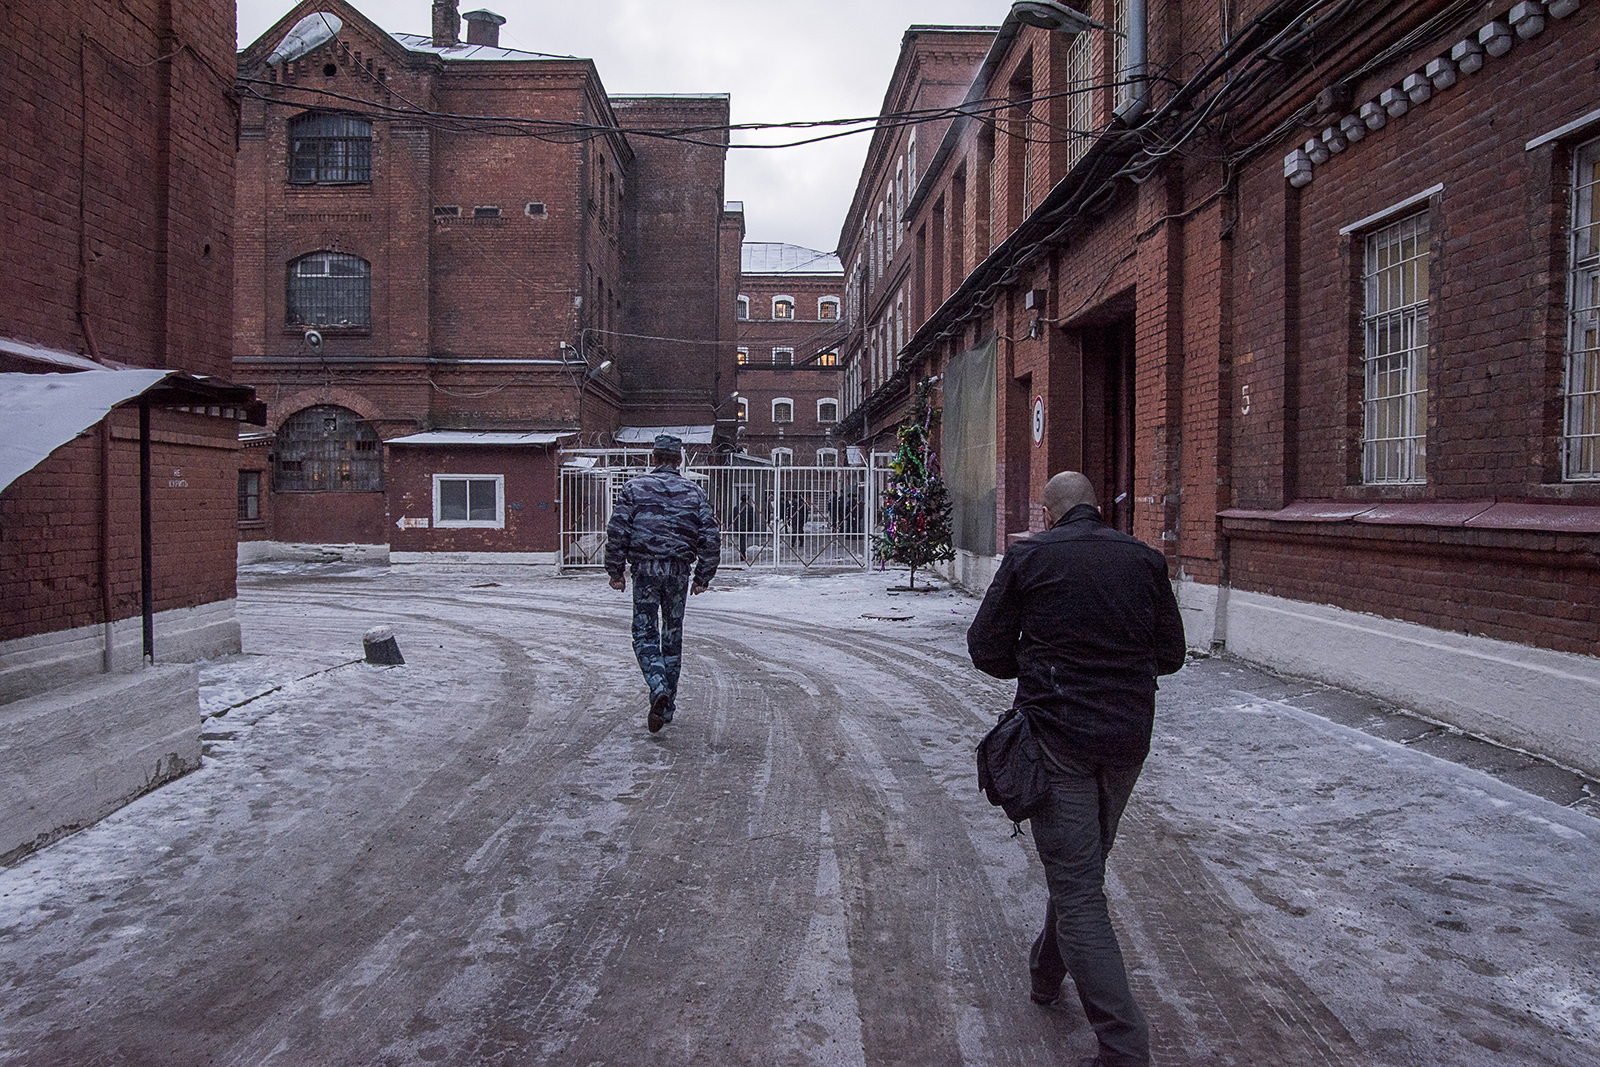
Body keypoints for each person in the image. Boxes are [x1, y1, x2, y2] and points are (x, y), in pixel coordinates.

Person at [966, 471, 1185, 1067]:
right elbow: (1172, 654)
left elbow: (984, 647)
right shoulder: (1142, 559)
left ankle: (1123, 1046)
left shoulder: (1030, 558)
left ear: (1051, 511)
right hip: (1125, 742)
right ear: (1092, 506)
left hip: (1057, 738)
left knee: (1080, 888)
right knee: (1081, 869)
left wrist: (1040, 666)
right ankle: (1044, 972)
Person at [605, 435, 721, 733]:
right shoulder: (694, 492)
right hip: (679, 571)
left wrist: (616, 572)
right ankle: (666, 706)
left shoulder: (633, 488)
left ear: (654, 458)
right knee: (672, 636)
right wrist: (703, 576)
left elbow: (618, 530)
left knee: (644, 633)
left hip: (644, 569)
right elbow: (710, 536)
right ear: (679, 461)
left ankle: (658, 687)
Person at [733, 492, 757, 563]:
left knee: (741, 540)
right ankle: (742, 554)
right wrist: (751, 527)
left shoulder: (736, 508)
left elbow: (734, 518)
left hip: (739, 527)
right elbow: (752, 519)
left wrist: (736, 526)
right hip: (746, 527)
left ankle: (742, 554)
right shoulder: (750, 508)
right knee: (744, 541)